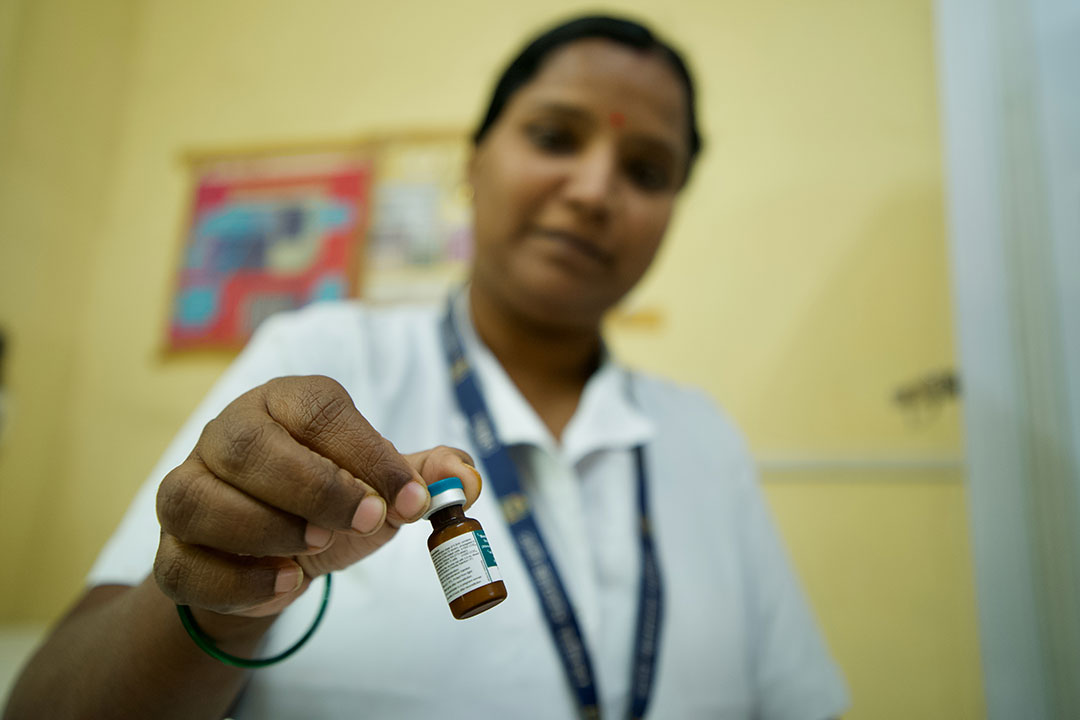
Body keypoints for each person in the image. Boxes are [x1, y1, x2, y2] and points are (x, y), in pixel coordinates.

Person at [4, 15, 848, 720]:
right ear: (473, 161)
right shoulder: (321, 369)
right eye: (554, 136)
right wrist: (226, 605)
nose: (595, 189)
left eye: (646, 170)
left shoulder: (703, 439)